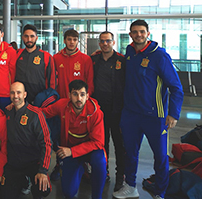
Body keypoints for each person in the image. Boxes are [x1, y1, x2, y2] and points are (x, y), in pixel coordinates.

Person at [113, 20, 184, 199]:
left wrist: (173, 114)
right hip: (130, 114)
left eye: (142, 32)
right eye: (135, 32)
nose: (139, 35)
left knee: (160, 157)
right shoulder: (129, 52)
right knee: (130, 153)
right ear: (130, 34)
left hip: (155, 116)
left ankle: (160, 192)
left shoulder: (159, 56)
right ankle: (130, 185)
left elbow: (176, 87)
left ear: (148, 33)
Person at [41, 80, 106, 199]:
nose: (79, 98)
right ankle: (81, 168)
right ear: (69, 95)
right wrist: (20, 106)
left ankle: (97, 196)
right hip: (69, 150)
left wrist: (73, 151)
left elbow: (98, 142)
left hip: (88, 150)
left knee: (100, 160)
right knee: (68, 193)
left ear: (87, 96)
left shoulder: (96, 112)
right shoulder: (62, 105)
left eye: (82, 94)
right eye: (75, 94)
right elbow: (42, 113)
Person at [0, 82, 52, 199]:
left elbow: (47, 143)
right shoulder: (8, 111)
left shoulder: (36, 114)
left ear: (25, 94)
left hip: (33, 162)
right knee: (4, 195)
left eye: (19, 92)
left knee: (43, 189)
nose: (15, 96)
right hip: (14, 163)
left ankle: (32, 181)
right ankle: (23, 181)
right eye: (12, 93)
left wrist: (43, 171)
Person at [91, 31, 126, 191]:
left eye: (108, 41)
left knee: (120, 145)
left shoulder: (122, 61)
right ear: (99, 44)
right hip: (99, 112)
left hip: (117, 111)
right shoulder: (94, 60)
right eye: (102, 41)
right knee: (101, 144)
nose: (105, 44)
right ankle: (103, 173)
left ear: (113, 42)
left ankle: (120, 177)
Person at [15, 24, 56, 103]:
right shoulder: (17, 54)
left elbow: (52, 81)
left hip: (39, 100)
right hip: (20, 99)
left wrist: (49, 98)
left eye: (32, 36)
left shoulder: (46, 56)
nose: (29, 39)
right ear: (23, 38)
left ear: (36, 38)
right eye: (26, 36)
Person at [53, 29, 94, 99]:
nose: (72, 42)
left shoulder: (86, 59)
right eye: (69, 39)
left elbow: (90, 82)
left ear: (78, 41)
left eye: (75, 40)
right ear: (64, 41)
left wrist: (84, 99)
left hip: (79, 101)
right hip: (60, 99)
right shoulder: (56, 58)